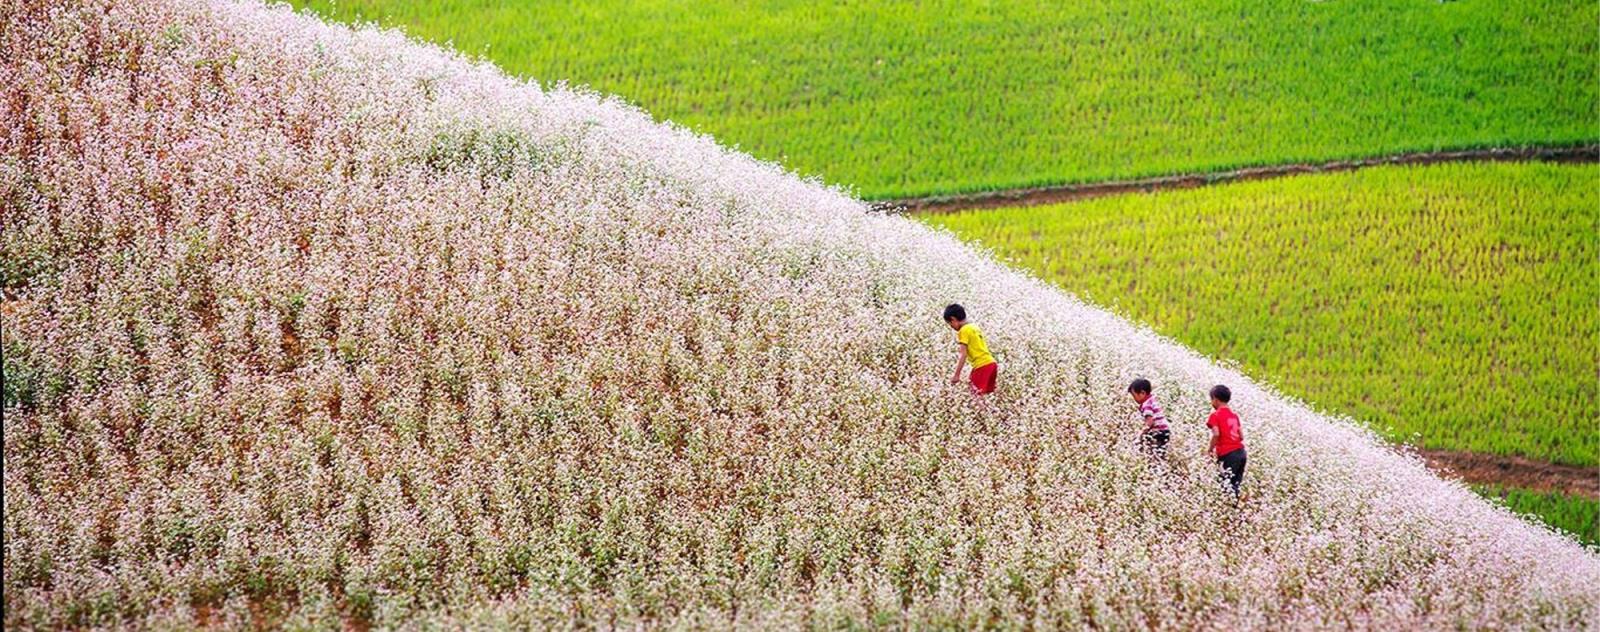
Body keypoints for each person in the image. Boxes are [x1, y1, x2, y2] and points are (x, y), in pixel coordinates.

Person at [943, 304, 997, 396]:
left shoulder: (963, 331)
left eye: (950, 323)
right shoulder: (974, 327)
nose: (951, 326)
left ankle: (985, 410)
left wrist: (956, 375)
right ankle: (991, 410)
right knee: (981, 395)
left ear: (953, 319)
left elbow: (963, 354)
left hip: (981, 365)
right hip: (991, 364)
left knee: (975, 396)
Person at [1206, 384, 1247, 502]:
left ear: (1215, 399)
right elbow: (1241, 436)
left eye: (1211, 400)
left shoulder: (1215, 415)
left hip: (1228, 454)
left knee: (1225, 485)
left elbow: (1216, 434)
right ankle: (1234, 510)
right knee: (1235, 485)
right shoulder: (1234, 416)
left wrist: (1209, 449)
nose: (1211, 403)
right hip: (1241, 453)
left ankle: (1226, 509)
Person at [1127, 378, 1169, 460]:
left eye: (1134, 396)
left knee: (1154, 456)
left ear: (1142, 393)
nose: (1134, 399)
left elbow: (1150, 422)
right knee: (1160, 454)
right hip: (1165, 431)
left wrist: (1140, 434)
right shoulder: (1152, 399)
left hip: (1157, 433)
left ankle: (1156, 469)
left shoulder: (1146, 405)